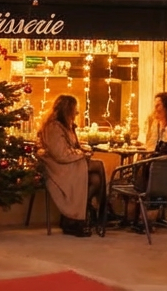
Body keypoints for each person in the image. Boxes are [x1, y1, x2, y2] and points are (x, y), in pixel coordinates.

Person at [38, 94, 105, 237]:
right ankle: (100, 212)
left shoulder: (67, 126)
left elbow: (71, 147)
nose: (77, 113)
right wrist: (81, 154)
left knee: (96, 180)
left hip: (67, 163)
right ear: (67, 110)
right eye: (75, 109)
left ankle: (78, 215)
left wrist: (81, 149)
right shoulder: (53, 127)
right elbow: (61, 154)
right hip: (57, 167)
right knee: (98, 166)